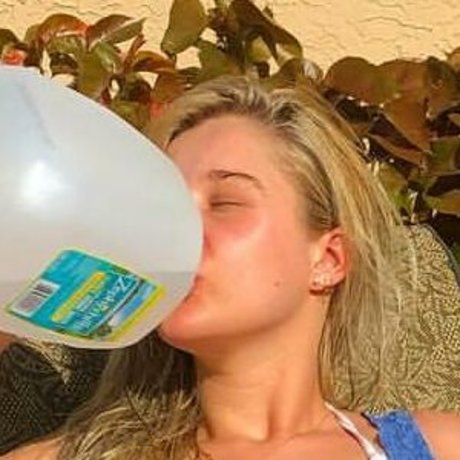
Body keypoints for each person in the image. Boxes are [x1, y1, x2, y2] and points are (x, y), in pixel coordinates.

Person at [2, 76, 459, 460]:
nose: (178, 231)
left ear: (328, 259)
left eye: (224, 203)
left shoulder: (438, 446)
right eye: (164, 208)